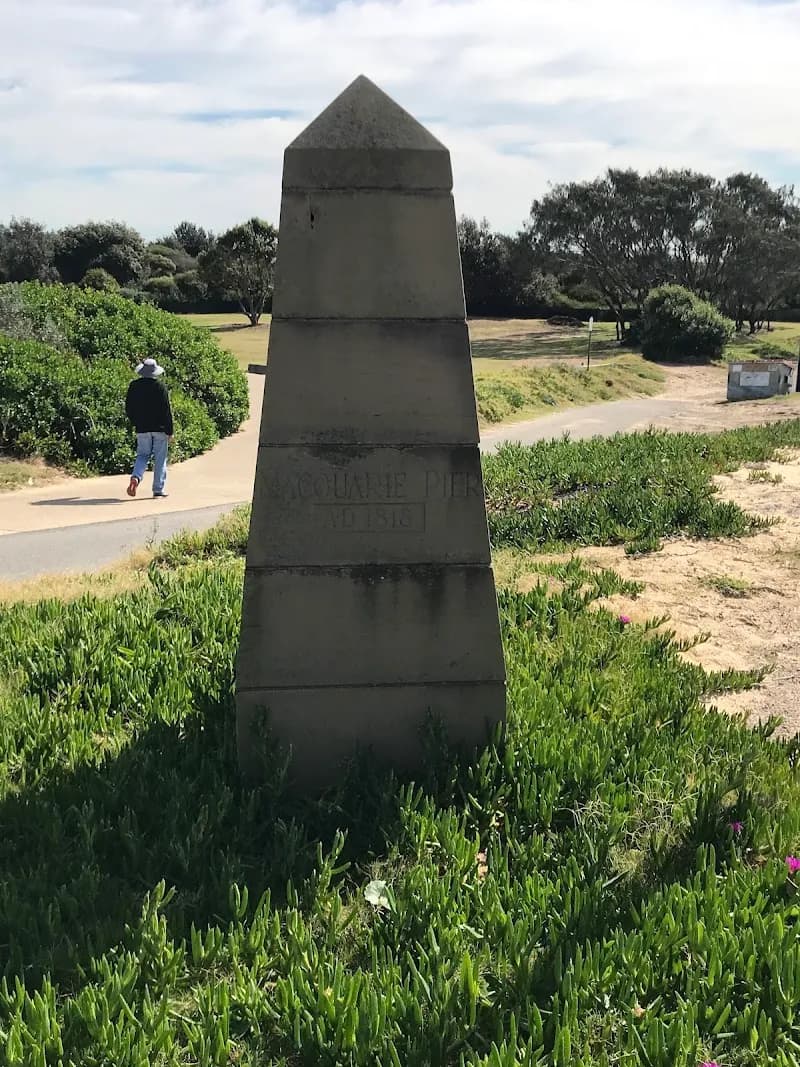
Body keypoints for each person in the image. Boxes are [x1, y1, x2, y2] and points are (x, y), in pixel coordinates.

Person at [125, 357, 174, 498]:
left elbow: (128, 408)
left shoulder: (134, 386)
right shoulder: (160, 387)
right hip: (159, 429)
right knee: (160, 459)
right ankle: (158, 489)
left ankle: (136, 477)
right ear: (154, 372)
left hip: (142, 428)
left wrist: (135, 422)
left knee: (142, 455)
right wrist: (169, 430)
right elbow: (166, 410)